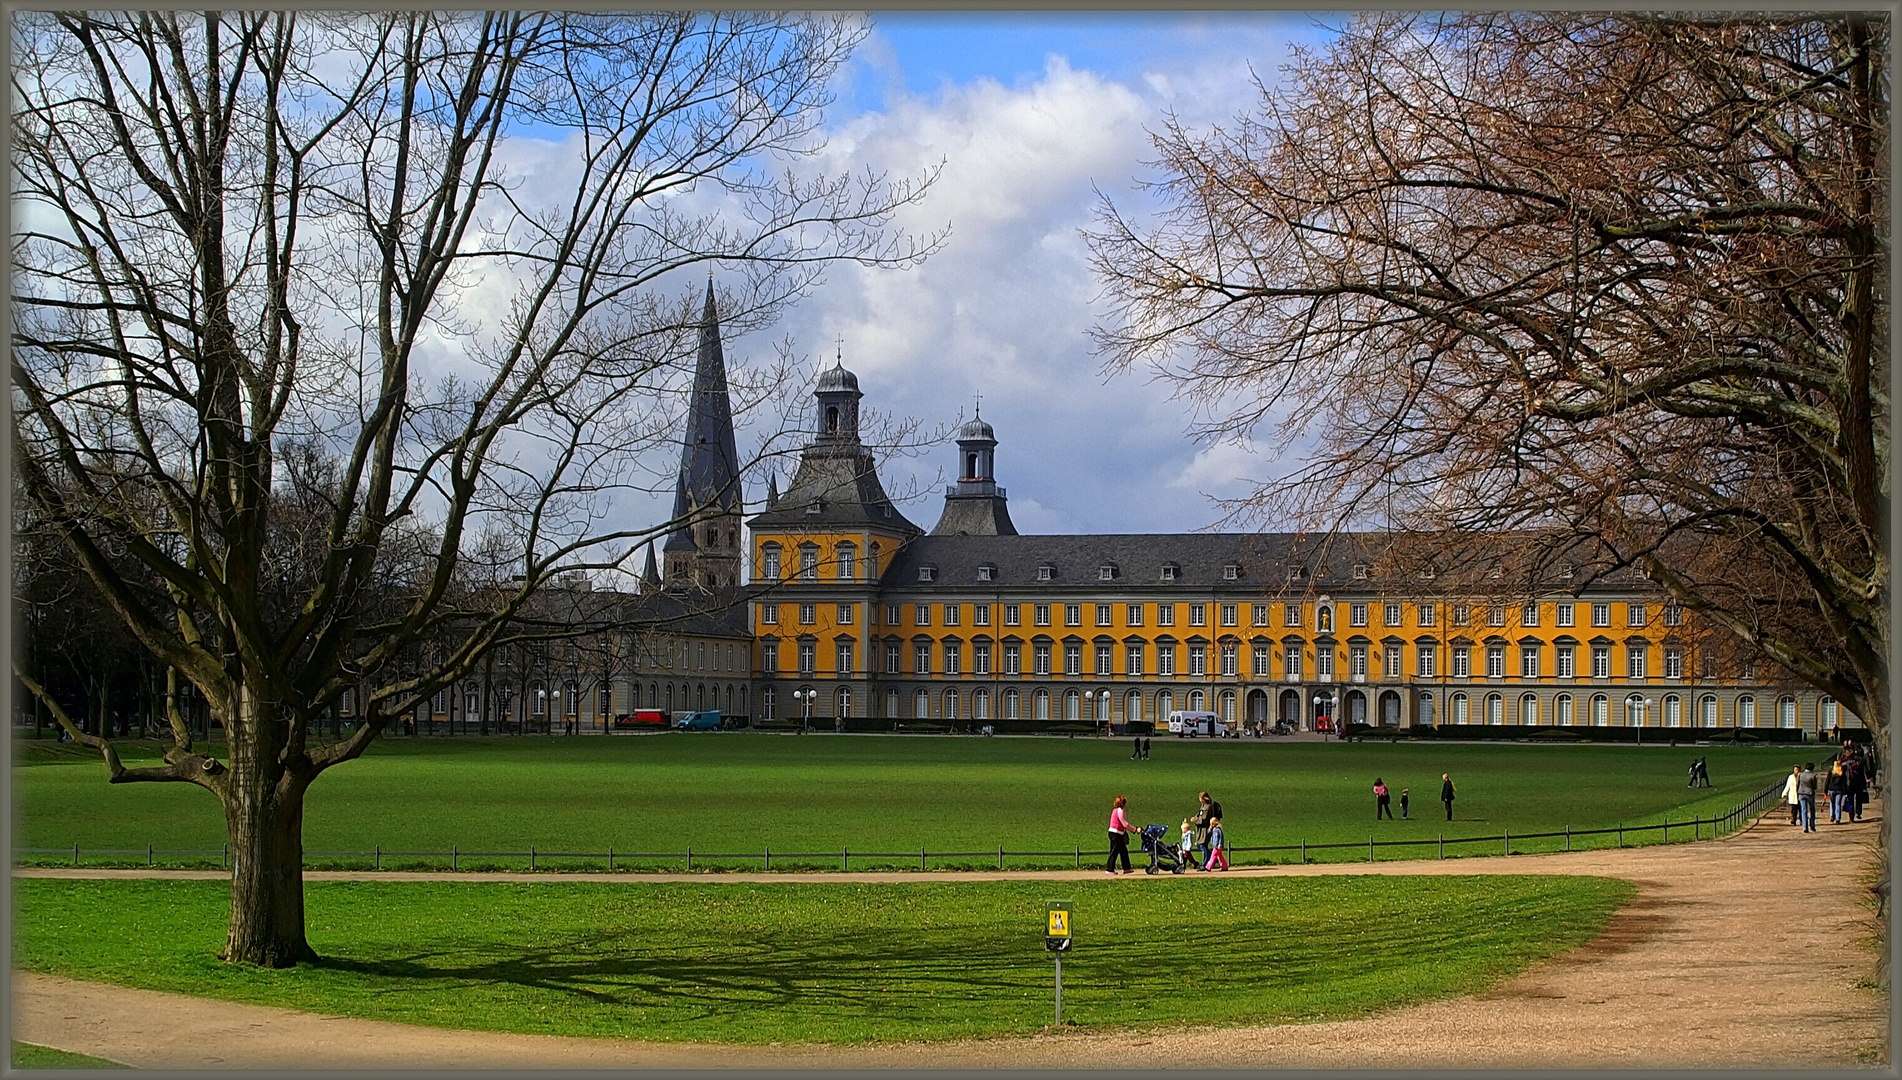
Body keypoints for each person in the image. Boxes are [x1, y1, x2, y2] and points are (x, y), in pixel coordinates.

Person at [1106, 795, 1137, 875]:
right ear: (1123, 804)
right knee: (1114, 851)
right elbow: (1124, 824)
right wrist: (1134, 829)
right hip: (1116, 833)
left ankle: (1127, 868)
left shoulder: (1115, 810)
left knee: (1123, 851)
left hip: (1116, 833)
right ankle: (1109, 870)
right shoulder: (1120, 811)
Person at [1798, 762, 1818, 832]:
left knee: (1804, 810)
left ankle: (1805, 827)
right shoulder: (1813, 775)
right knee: (1812, 809)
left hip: (1801, 793)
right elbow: (1815, 786)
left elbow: (1798, 783)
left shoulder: (1800, 774)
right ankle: (1812, 825)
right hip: (1809, 793)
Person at [1826, 759, 1846, 824]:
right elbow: (1844, 782)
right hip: (1839, 789)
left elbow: (1827, 781)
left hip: (1831, 789)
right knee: (1838, 804)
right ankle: (1838, 818)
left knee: (1832, 803)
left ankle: (1832, 815)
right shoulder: (1841, 772)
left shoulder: (1831, 771)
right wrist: (1845, 791)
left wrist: (1825, 791)